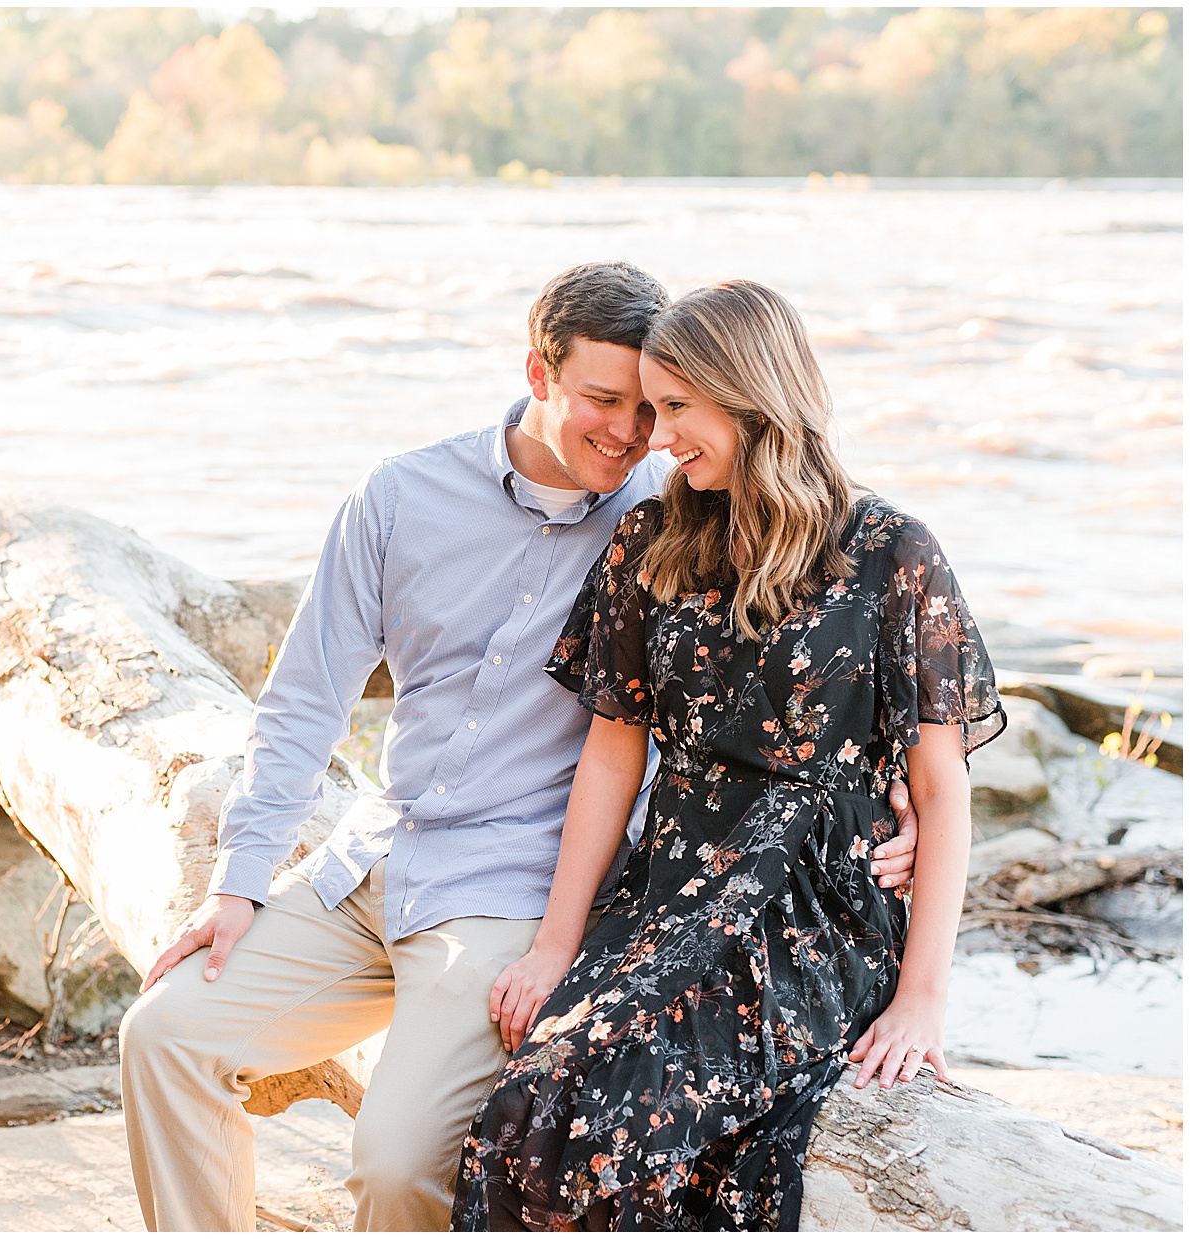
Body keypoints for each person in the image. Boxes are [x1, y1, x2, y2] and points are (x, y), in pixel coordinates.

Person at [118, 263, 922, 1233]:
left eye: (650, 409)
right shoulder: (401, 497)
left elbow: (826, 611)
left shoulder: (674, 517)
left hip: (511, 893)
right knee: (161, 1039)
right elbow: (302, 702)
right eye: (602, 400)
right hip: (374, 859)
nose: (630, 436)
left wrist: (897, 794)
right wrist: (238, 881)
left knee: (396, 1158)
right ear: (537, 374)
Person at [451, 280, 1004, 1232]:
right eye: (650, 408)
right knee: (530, 1110)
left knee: (624, 1127)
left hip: (816, 908)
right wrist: (554, 942)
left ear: (750, 397)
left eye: (674, 409)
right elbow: (611, 757)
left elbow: (940, 790)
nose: (655, 437)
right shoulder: (652, 538)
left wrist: (921, 1001)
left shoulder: (891, 551)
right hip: (667, 888)